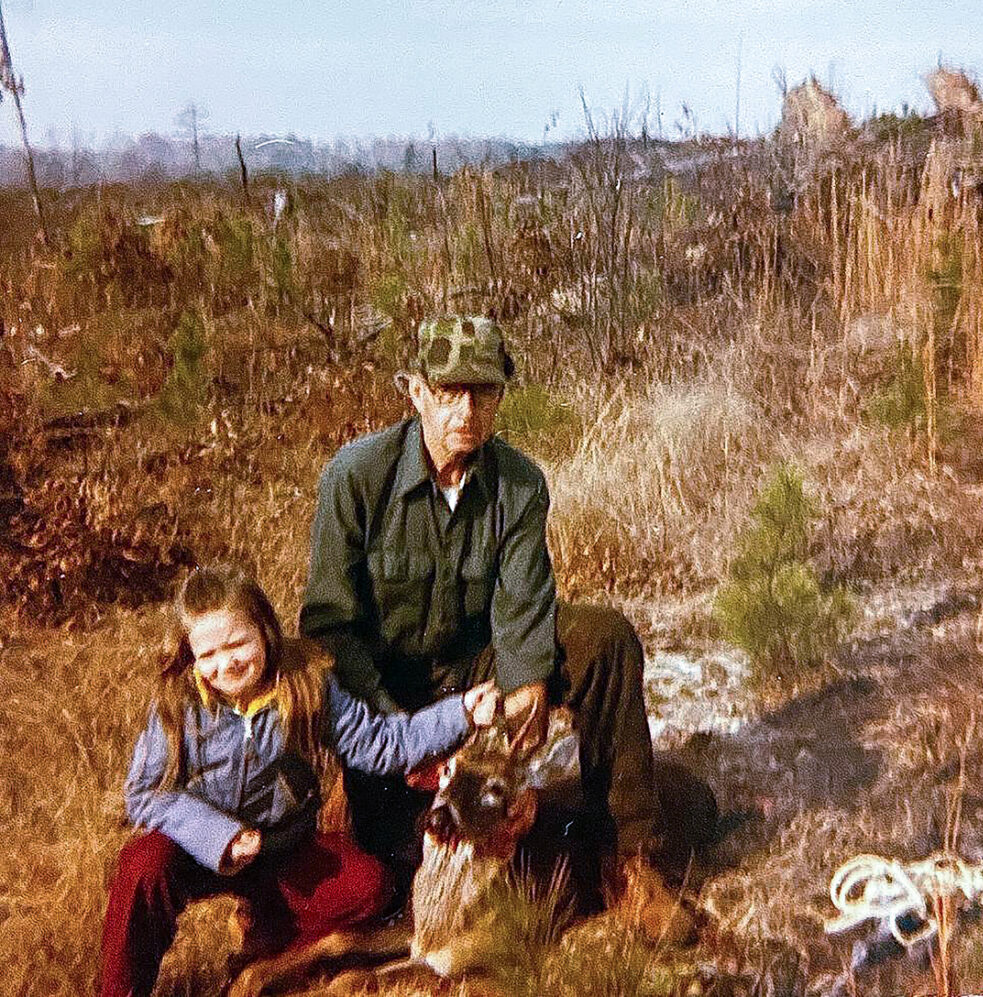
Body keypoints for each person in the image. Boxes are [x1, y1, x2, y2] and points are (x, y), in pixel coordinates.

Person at [300, 314, 694, 943]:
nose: (466, 410)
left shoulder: (518, 482)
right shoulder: (355, 476)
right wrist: (400, 732)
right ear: (417, 393)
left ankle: (629, 865)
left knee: (605, 640)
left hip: (476, 671)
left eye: (483, 392)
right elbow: (329, 628)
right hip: (388, 699)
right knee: (404, 872)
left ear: (501, 396)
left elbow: (522, 597)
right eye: (449, 392)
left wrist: (529, 678)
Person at [99, 564, 499, 997]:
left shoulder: (307, 685)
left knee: (368, 887)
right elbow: (144, 793)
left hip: (280, 848)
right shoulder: (178, 703)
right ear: (191, 651)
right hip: (198, 853)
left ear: (265, 632)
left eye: (238, 644)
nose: (226, 664)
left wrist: (460, 713)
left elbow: (382, 743)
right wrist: (220, 838)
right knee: (143, 864)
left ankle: (272, 948)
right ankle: (120, 991)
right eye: (208, 654)